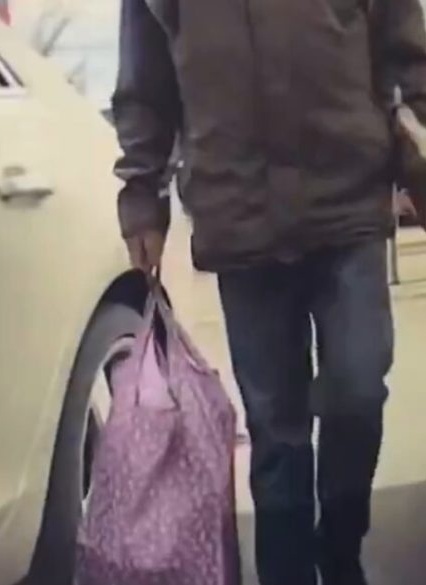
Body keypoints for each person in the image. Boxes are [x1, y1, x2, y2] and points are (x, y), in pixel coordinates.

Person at [111, 0, 426, 584]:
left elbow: (405, 50)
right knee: (276, 428)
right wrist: (141, 193)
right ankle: (286, 572)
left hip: (348, 199)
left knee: (357, 391)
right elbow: (145, 83)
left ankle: (341, 548)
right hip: (239, 212)